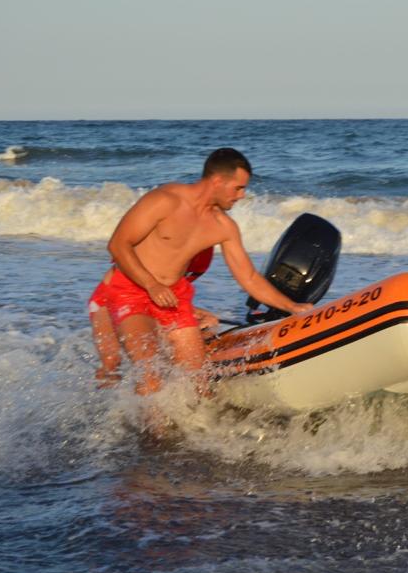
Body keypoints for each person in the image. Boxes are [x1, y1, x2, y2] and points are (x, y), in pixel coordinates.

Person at [104, 148, 313, 403]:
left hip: (174, 298)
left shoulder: (222, 226)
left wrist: (292, 306)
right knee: (150, 374)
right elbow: (118, 244)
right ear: (217, 181)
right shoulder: (165, 201)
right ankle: (147, 440)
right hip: (131, 291)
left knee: (199, 381)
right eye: (238, 188)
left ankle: (196, 437)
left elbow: (248, 277)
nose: (242, 195)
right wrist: (151, 285)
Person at [87, 247, 217, 387]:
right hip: (111, 296)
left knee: (162, 361)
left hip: (152, 299)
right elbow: (124, 264)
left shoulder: (205, 248)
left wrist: (190, 309)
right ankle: (101, 404)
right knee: (111, 362)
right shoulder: (159, 236)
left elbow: (173, 286)